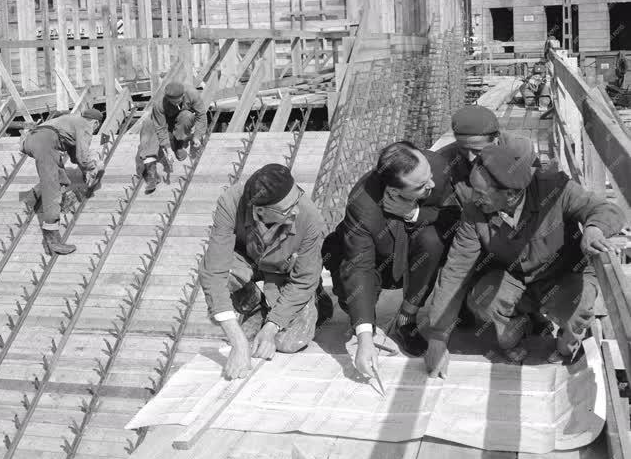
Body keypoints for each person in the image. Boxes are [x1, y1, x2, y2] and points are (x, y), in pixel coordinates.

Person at [424, 141, 625, 378]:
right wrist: (438, 336)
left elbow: (606, 210)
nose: (474, 198)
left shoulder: (555, 189)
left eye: (481, 193)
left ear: (510, 194)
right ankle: (519, 332)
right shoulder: (474, 211)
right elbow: (456, 269)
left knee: (578, 310)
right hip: (515, 278)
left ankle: (566, 346)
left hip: (563, 276)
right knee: (483, 299)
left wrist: (594, 228)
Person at [322, 142, 460, 379]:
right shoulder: (362, 204)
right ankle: (365, 326)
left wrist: (414, 213)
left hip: (417, 248)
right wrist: (365, 337)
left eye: (429, 177)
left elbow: (457, 217)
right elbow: (360, 267)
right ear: (395, 192)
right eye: (420, 186)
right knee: (353, 292)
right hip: (377, 258)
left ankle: (406, 320)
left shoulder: (435, 168)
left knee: (433, 240)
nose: (432, 184)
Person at [199, 164, 329, 380]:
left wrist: (271, 327)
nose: (295, 210)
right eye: (287, 210)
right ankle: (255, 307)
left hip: (286, 274)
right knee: (224, 272)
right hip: (251, 260)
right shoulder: (231, 202)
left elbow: (303, 280)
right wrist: (238, 343)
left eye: (297, 199)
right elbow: (214, 273)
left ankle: (314, 303)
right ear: (260, 210)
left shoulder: (309, 216)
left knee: (288, 343)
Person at [21, 108, 104, 256]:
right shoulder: (86, 125)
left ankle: (49, 237)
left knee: (61, 180)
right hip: (44, 141)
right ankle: (52, 239)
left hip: (33, 139)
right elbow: (83, 158)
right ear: (96, 122)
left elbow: (75, 156)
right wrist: (94, 166)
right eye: (96, 127)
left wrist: (84, 170)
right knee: (51, 187)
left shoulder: (70, 122)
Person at [438, 105, 539, 206]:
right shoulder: (443, 160)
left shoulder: (522, 149)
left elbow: (535, 191)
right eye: (463, 149)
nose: (470, 158)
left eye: (476, 150)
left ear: (495, 139)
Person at [137, 81, 207, 194]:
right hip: (165, 123)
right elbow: (160, 128)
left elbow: (201, 116)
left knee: (187, 116)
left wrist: (197, 136)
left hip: (181, 121)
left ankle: (178, 144)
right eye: (172, 102)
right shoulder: (159, 103)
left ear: (183, 95)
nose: (175, 104)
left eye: (178, 101)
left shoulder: (192, 94)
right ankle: (151, 172)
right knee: (148, 123)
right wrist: (168, 149)